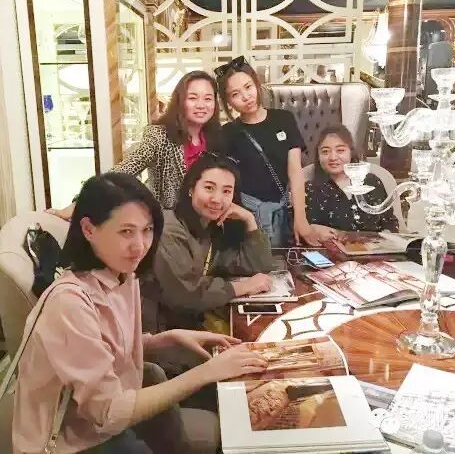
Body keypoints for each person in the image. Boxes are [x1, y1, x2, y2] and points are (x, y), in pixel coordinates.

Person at [13, 173, 268, 454]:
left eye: (147, 230)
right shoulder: (69, 303)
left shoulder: (124, 275)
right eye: (126, 231)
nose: (140, 246)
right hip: (69, 442)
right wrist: (206, 373)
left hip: (102, 423)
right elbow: (107, 412)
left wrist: (169, 338)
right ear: (88, 229)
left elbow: (108, 347)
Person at [49, 70, 223, 219]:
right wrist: (79, 204)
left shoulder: (216, 139)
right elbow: (124, 170)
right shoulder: (160, 136)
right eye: (193, 98)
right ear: (180, 101)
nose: (201, 105)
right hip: (170, 223)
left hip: (206, 223)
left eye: (208, 99)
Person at [143, 152, 275, 334]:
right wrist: (241, 287)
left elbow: (257, 267)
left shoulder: (212, 226)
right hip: (160, 333)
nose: (217, 199)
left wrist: (249, 220)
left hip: (191, 325)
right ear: (191, 189)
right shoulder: (169, 229)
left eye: (226, 191)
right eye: (209, 188)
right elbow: (184, 294)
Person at [215, 56, 320, 247]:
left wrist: (301, 218)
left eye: (248, 87)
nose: (246, 96)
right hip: (248, 216)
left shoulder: (284, 119)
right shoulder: (227, 132)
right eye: (236, 94)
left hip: (283, 211)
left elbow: (295, 172)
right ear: (228, 101)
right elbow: (227, 181)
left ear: (257, 84)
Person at [305, 125, 399, 240]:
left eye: (340, 150)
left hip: (375, 248)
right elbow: (300, 230)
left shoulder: (372, 182)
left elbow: (390, 222)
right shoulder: (310, 190)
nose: (333, 157)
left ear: (351, 152)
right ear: (318, 156)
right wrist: (312, 229)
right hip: (331, 250)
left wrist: (385, 240)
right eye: (325, 152)